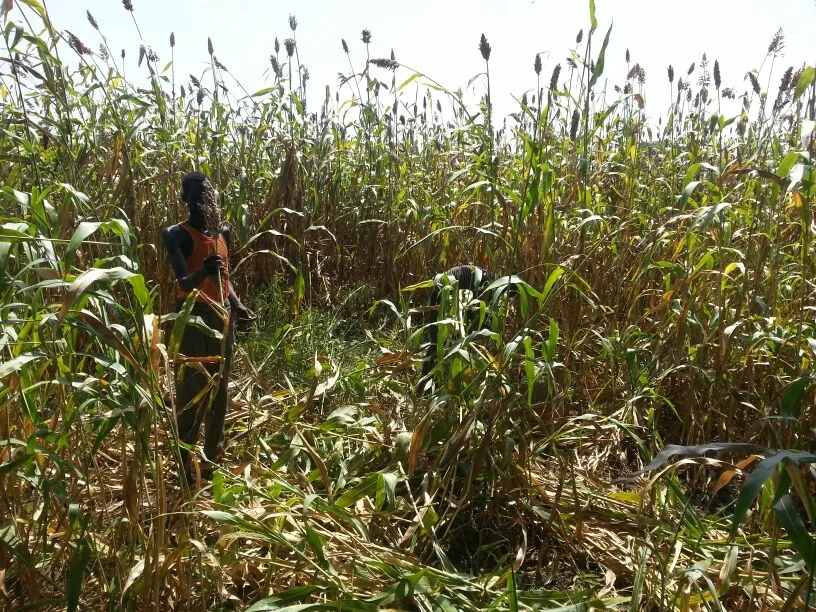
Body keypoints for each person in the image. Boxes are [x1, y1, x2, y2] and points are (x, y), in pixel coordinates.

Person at [162, 171, 254, 483]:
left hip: (222, 314)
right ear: (184, 200)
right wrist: (203, 270)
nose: (203, 201)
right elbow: (183, 282)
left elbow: (224, 279)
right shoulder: (175, 234)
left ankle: (211, 460)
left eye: (207, 195)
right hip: (191, 316)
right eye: (196, 196)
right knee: (191, 390)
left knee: (220, 391)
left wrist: (237, 304)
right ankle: (185, 461)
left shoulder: (223, 232)